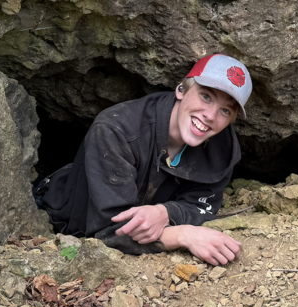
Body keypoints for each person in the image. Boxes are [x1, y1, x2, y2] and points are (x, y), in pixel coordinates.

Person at [36, 54, 251, 265]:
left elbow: (201, 205)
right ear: (181, 89)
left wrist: (165, 213)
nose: (211, 116)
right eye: (206, 96)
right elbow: (107, 232)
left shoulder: (222, 150)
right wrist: (182, 235)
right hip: (69, 216)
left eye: (225, 110)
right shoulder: (116, 130)